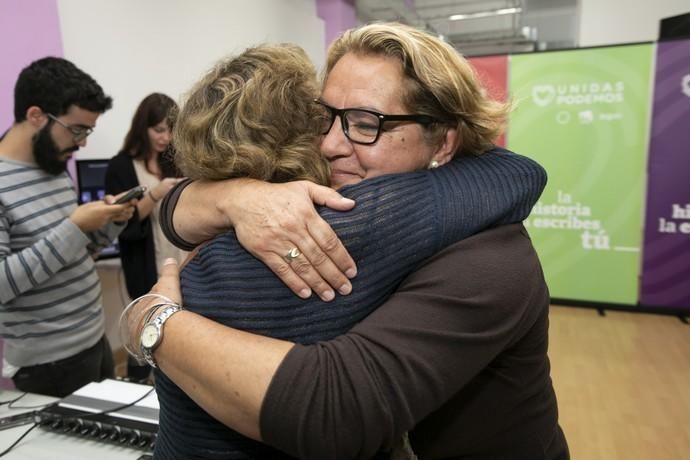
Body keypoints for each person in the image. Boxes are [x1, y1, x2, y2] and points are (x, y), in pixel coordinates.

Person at [129, 23, 568, 459]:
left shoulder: (491, 260)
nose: (330, 144)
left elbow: (336, 412)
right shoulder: (334, 213)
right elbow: (174, 213)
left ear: (444, 141)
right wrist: (233, 198)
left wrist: (152, 322)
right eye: (326, 118)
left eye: (365, 123)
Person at [0, 57, 136, 397]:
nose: (82, 143)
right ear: (35, 116)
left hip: (93, 339)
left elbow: (74, 254)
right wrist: (75, 227)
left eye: (87, 131)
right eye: (77, 130)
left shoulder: (53, 167)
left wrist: (108, 224)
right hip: (47, 364)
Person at [104, 93, 186, 381]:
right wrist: (155, 193)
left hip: (179, 257)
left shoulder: (176, 162)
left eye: (171, 129)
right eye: (158, 130)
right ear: (143, 128)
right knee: (143, 326)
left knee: (178, 327)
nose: (166, 138)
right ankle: (139, 385)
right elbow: (124, 225)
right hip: (144, 260)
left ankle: (173, 383)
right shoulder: (121, 166)